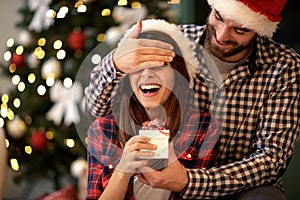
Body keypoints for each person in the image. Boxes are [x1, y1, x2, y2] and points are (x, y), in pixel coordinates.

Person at [85, 0, 300, 199]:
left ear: (259, 29)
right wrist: (116, 63)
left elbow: (271, 160)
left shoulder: (284, 67)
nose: (222, 35)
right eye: (219, 17)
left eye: (240, 29)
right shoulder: (178, 40)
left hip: (238, 188)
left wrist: (188, 181)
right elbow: (96, 106)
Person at [86, 20, 219, 200]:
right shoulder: (103, 130)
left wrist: (179, 177)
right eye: (137, 67)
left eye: (158, 65)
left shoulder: (203, 128)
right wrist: (122, 172)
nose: (147, 74)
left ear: (177, 75)